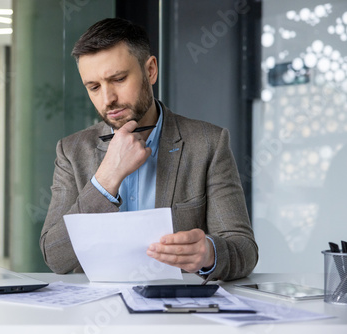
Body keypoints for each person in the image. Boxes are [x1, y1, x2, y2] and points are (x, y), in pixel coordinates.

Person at [40, 18, 258, 282]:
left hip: (176, 313)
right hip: (95, 312)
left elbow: (244, 250)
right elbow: (55, 257)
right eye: (94, 87)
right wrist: (105, 180)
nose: (107, 99)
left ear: (150, 70)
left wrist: (208, 254)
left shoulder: (208, 143)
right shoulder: (71, 151)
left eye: (118, 79)